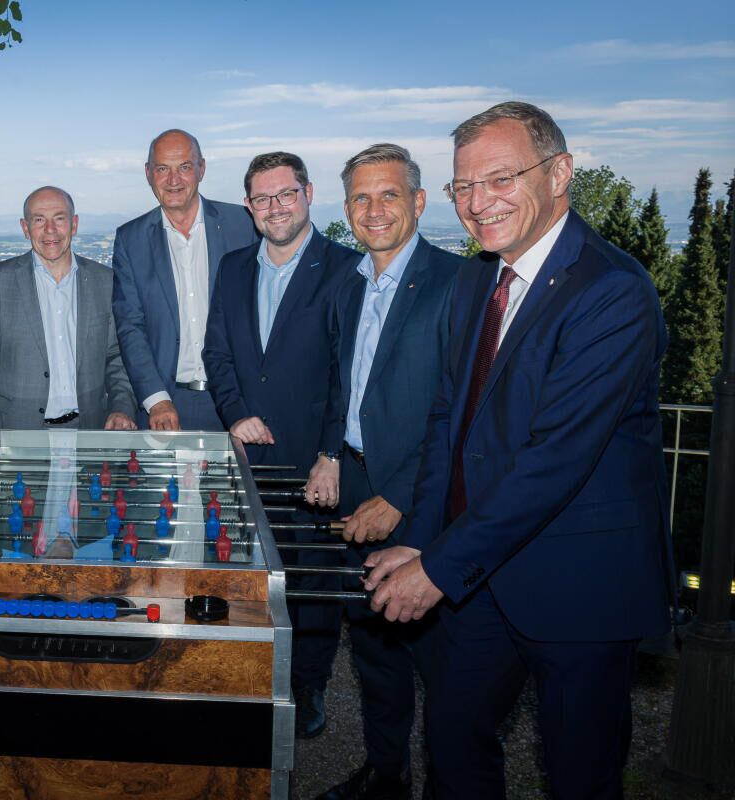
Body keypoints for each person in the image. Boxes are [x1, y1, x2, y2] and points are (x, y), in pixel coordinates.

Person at [365, 101, 674, 799]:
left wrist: (437, 568)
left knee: (579, 774)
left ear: (559, 173)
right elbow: (449, 421)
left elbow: (554, 461)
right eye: (464, 186)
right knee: (452, 742)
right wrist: (420, 540)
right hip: (479, 574)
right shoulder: (479, 276)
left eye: (500, 179)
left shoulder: (613, 290)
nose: (479, 203)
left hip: (579, 581)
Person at [311, 145, 463, 800]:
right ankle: (386, 775)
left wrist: (399, 497)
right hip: (356, 486)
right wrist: (331, 455)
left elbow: (463, 412)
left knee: (447, 666)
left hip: (427, 500)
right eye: (361, 198)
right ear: (347, 209)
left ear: (419, 202)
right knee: (373, 648)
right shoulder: (348, 284)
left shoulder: (459, 283)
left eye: (389, 194)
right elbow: (343, 388)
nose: (374, 210)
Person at [202, 151, 360, 739]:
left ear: (308, 194)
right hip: (248, 455)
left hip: (315, 460)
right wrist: (236, 414)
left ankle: (309, 684)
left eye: (285, 194)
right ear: (249, 206)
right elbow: (217, 352)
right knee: (249, 573)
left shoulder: (346, 268)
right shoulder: (233, 267)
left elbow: (350, 373)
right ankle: (251, 675)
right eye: (262, 198)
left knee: (314, 580)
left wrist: (332, 453)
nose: (275, 207)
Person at [112, 129, 258, 431]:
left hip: (239, 402)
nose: (173, 180)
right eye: (162, 169)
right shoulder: (130, 239)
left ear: (201, 169)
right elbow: (130, 327)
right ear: (148, 174)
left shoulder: (244, 225)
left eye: (184, 167)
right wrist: (156, 400)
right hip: (163, 405)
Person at [0, 186, 136, 440]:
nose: (50, 229)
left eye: (59, 218)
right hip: (15, 434)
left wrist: (121, 408)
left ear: (74, 224)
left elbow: (117, 357)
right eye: (39, 220)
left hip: (92, 431)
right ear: (25, 228)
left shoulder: (105, 281)